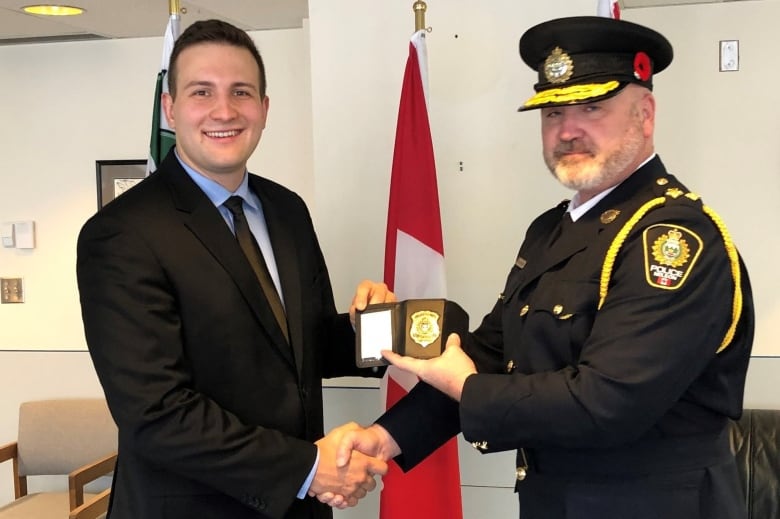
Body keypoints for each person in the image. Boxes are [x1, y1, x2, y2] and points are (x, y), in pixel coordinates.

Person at [329, 16, 754, 519]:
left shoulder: (673, 239)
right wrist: (385, 437)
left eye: (592, 107)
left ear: (645, 114)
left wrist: (466, 387)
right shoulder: (552, 230)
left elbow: (607, 403)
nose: (568, 130)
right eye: (552, 113)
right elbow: (491, 350)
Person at [77, 19, 392, 519]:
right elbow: (157, 413)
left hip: (298, 507)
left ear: (264, 109)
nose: (224, 110)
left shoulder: (287, 211)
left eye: (241, 92)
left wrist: (371, 331)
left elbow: (304, 347)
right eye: (202, 91)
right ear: (170, 108)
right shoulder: (121, 233)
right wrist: (310, 467)